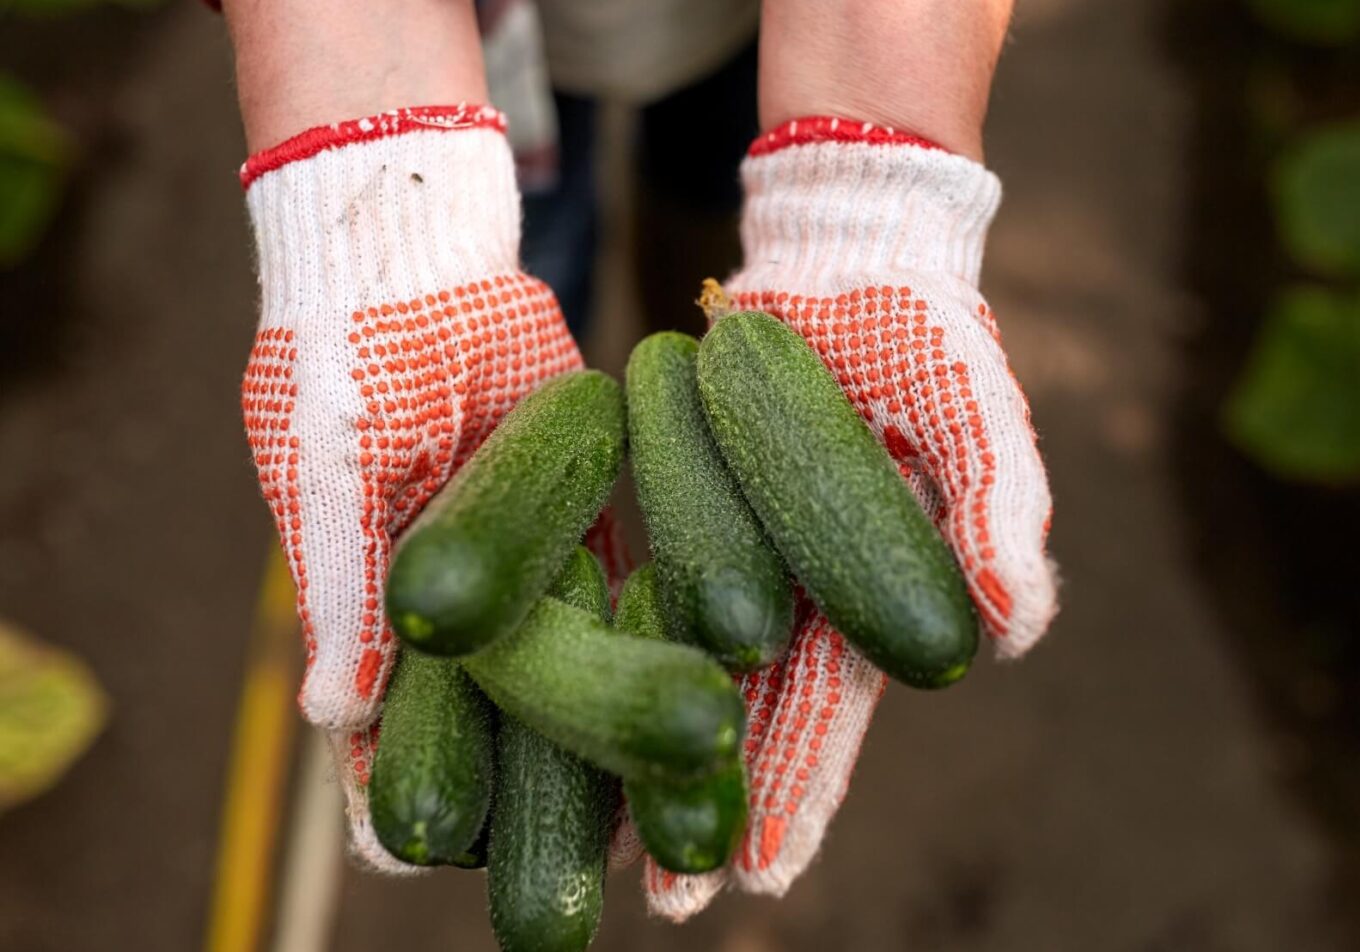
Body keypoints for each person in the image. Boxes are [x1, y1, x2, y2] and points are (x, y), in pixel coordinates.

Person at [225, 0, 1057, 921]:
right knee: (541, 243)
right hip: (479, 46)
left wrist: (873, 130)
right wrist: (371, 178)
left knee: (703, 192)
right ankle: (579, 347)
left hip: (763, 29)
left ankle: (677, 325)